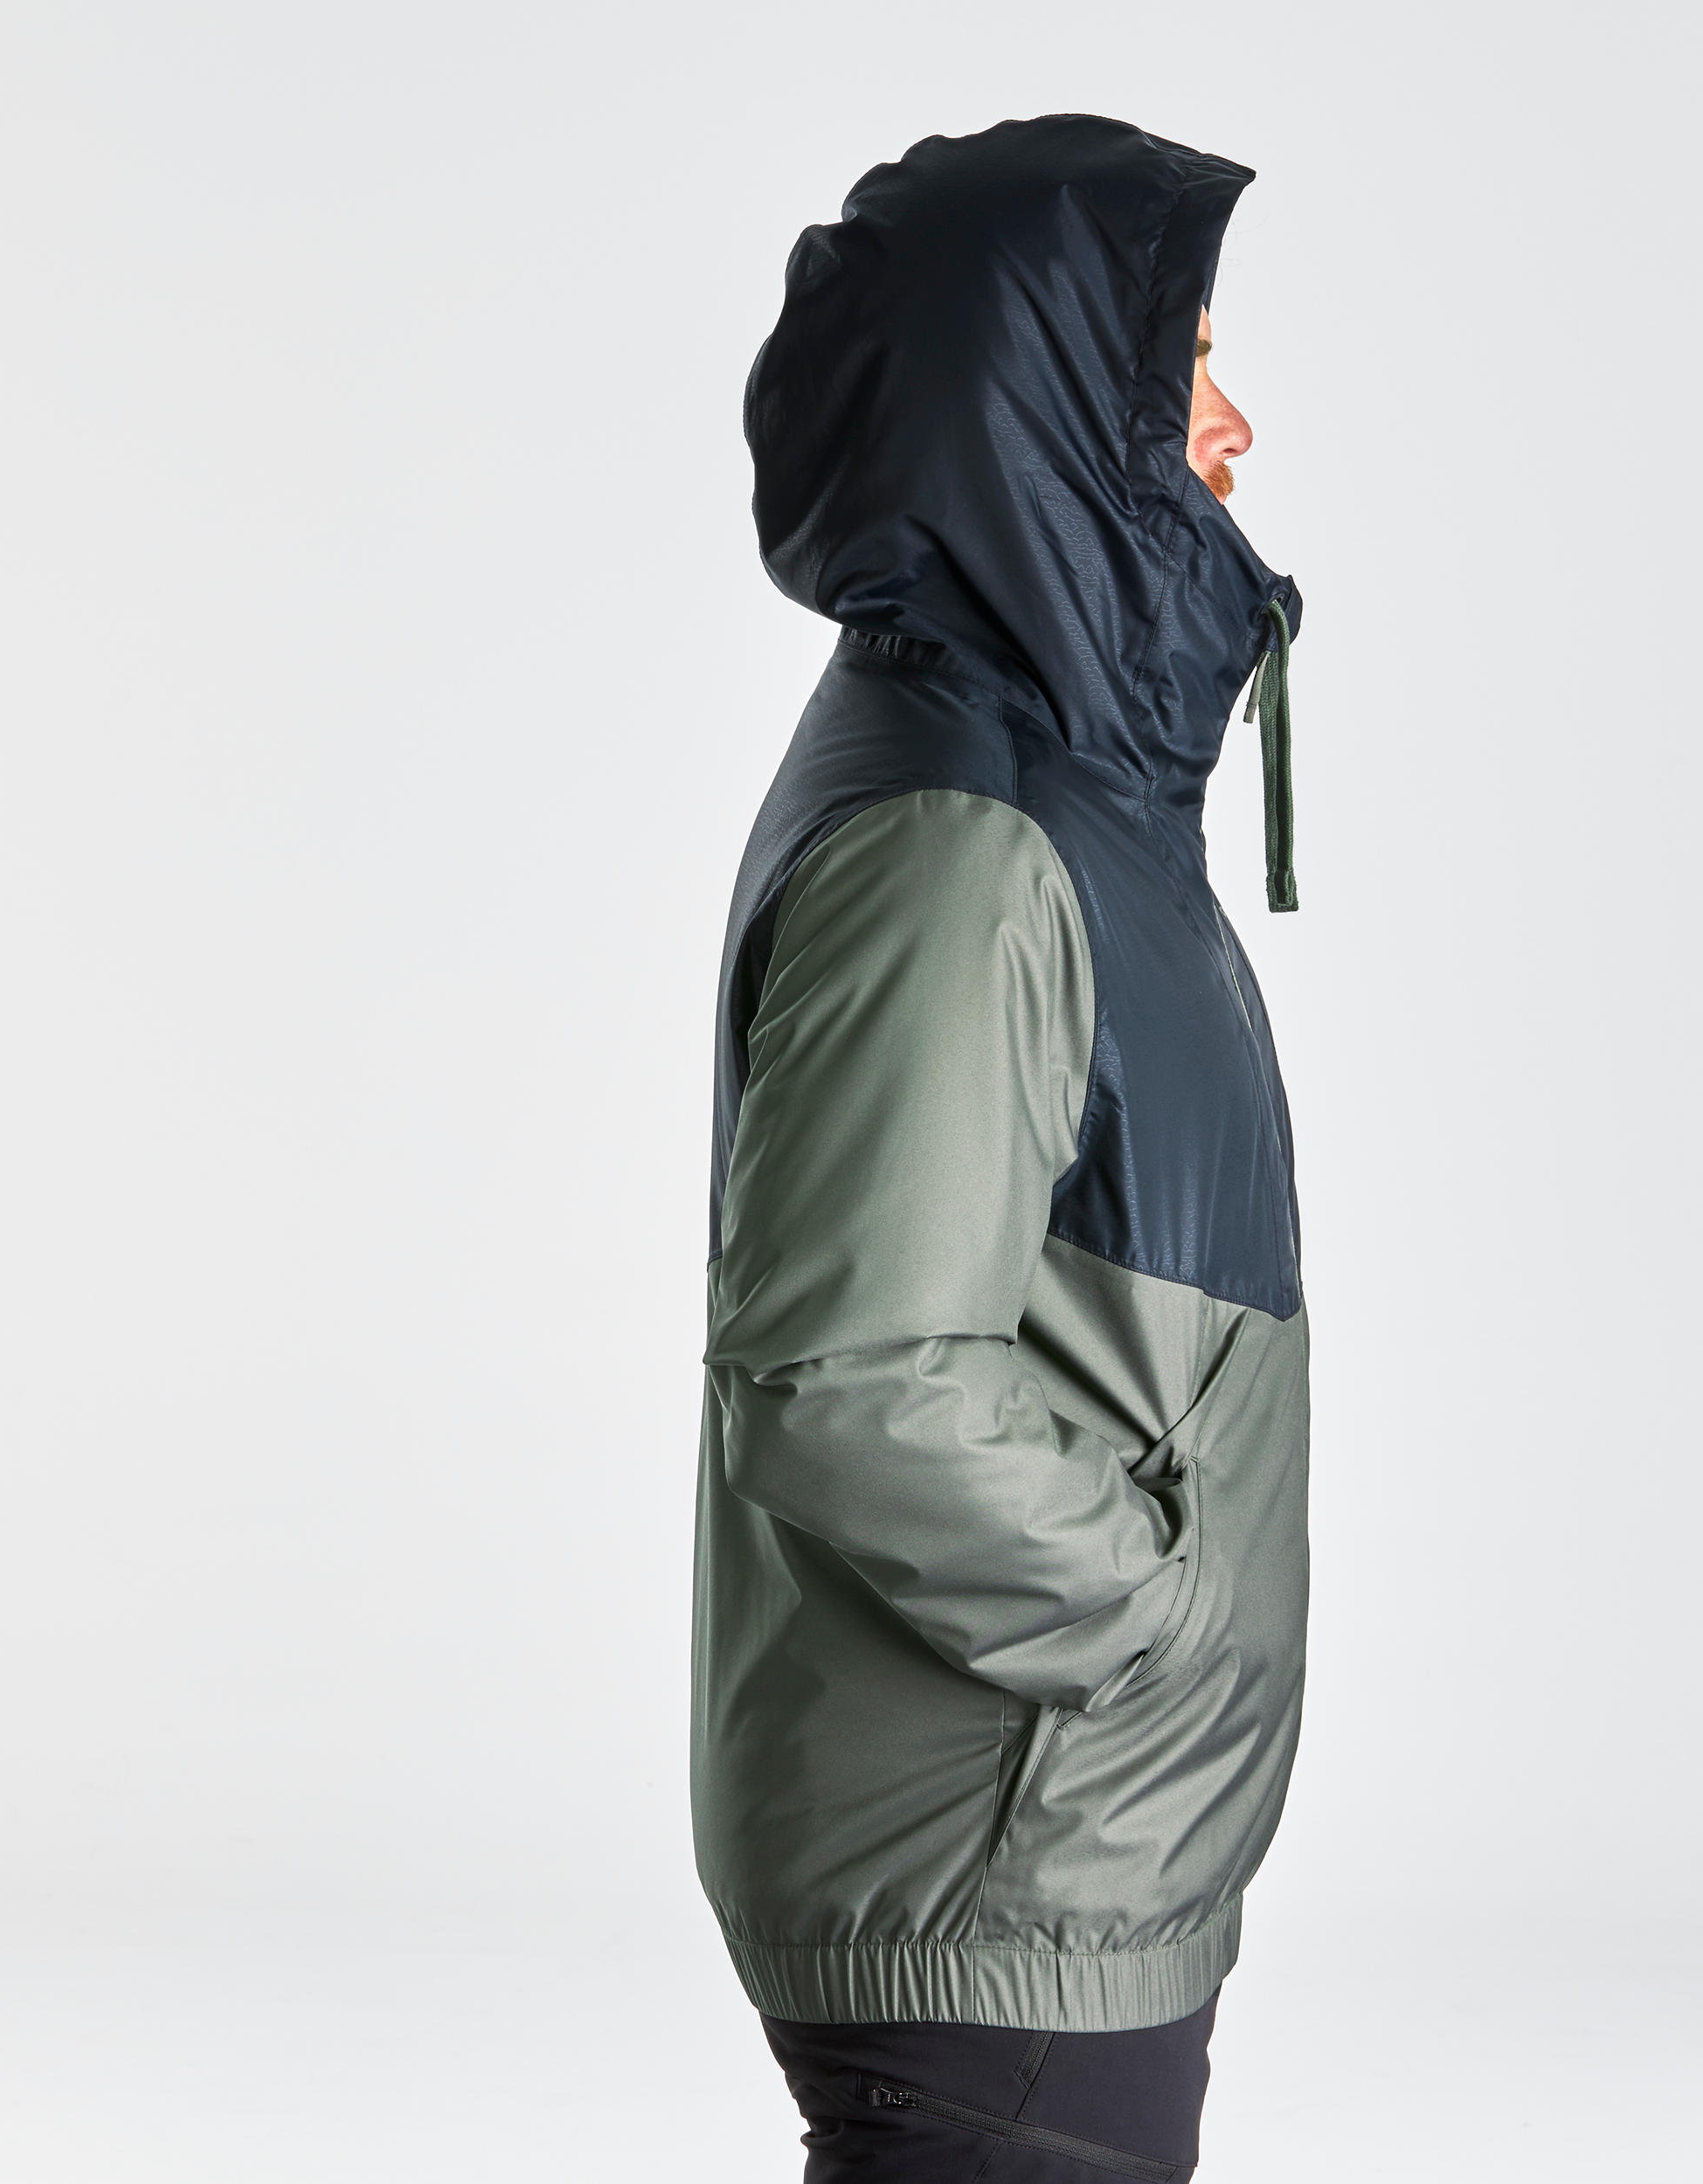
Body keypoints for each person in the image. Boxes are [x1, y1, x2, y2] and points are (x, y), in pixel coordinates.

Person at [693, 114, 1310, 2181]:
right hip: (1002, 1864)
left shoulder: (1039, 785)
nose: (1229, 425)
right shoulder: (961, 840)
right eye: (1178, 367)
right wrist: (1156, 1621)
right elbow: (849, 1377)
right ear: (1032, 414)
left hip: (1033, 1855)